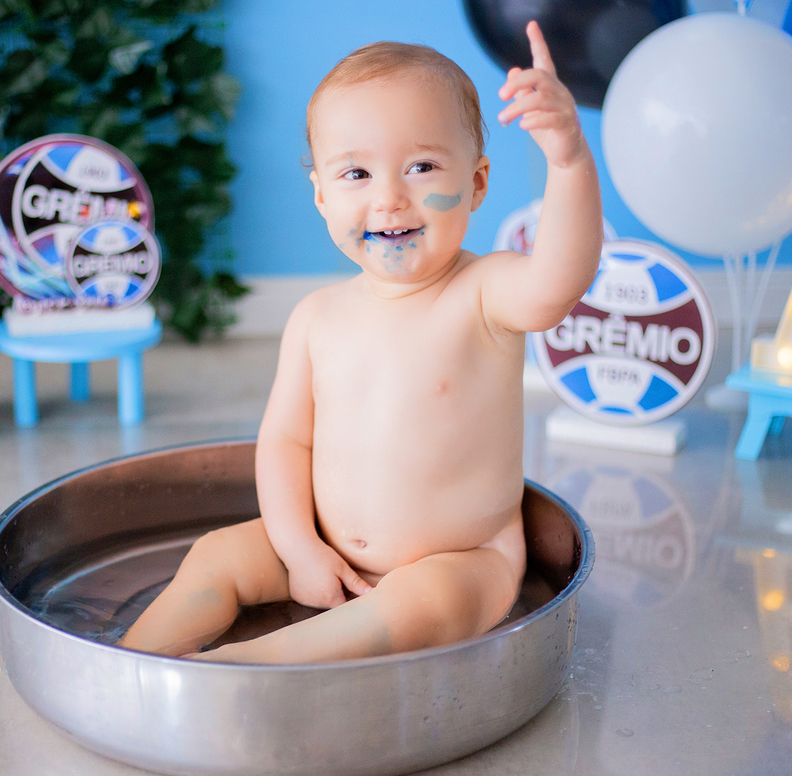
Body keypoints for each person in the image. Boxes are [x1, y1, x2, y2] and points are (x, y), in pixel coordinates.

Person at [119, 21, 602, 663]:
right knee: (218, 555)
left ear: (478, 183)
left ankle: (240, 670)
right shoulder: (317, 317)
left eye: (422, 166)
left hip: (463, 561)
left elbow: (560, 280)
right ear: (320, 195)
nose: (390, 199)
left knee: (413, 607)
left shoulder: (485, 292)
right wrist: (300, 550)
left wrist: (567, 158)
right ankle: (129, 658)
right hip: (325, 546)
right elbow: (287, 442)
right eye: (356, 174)